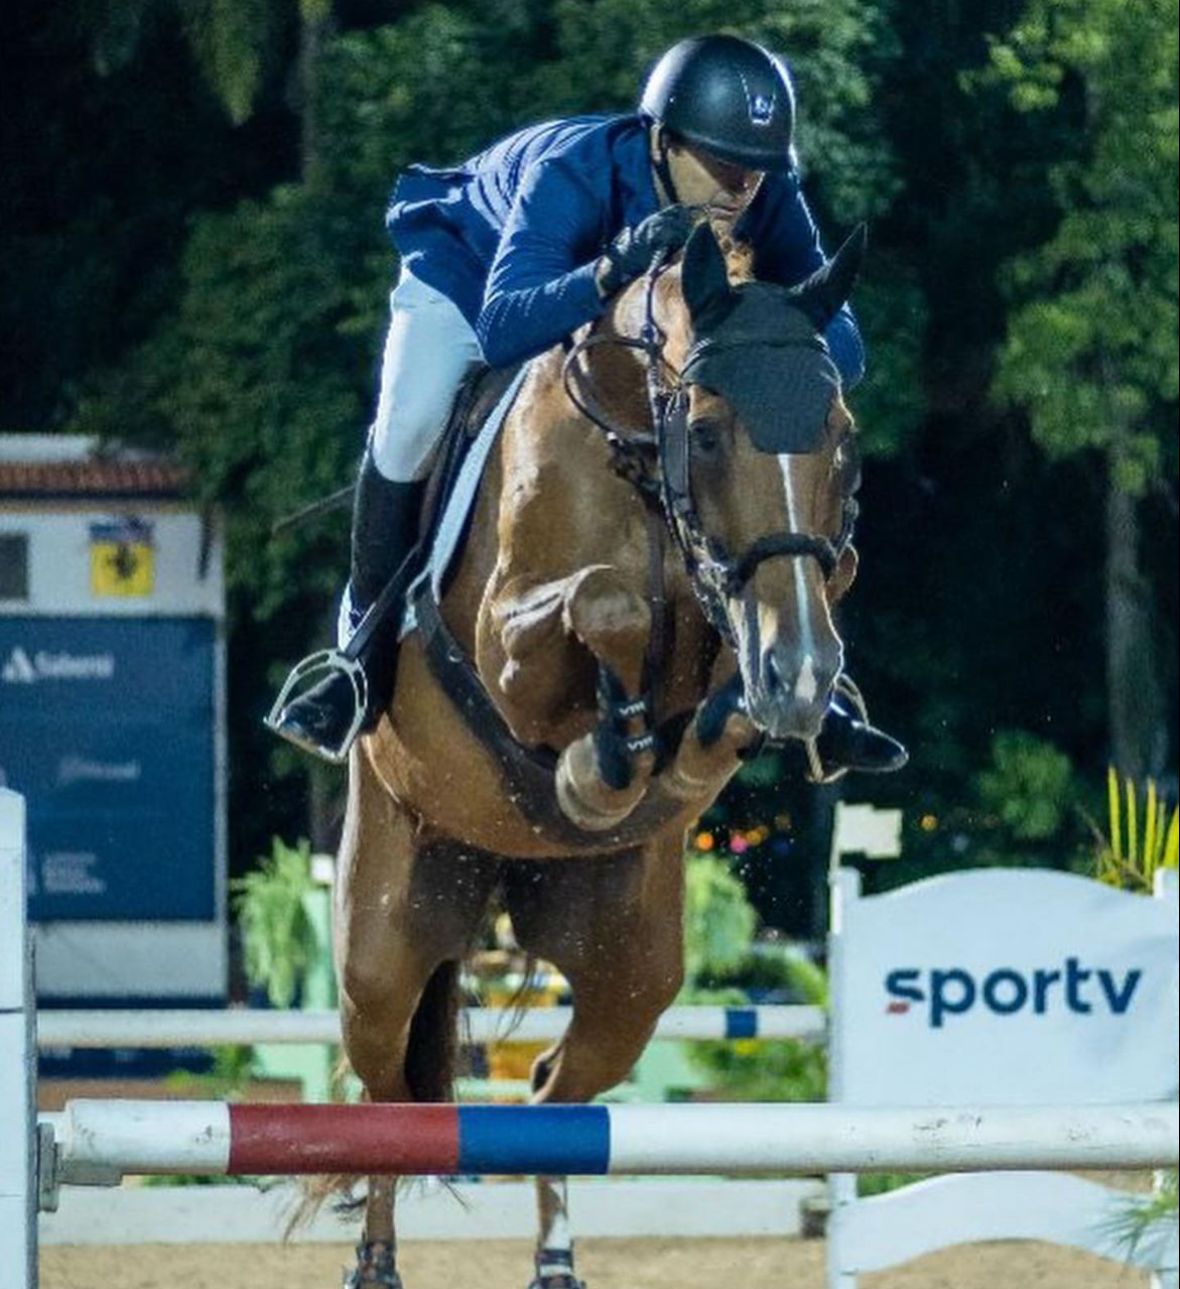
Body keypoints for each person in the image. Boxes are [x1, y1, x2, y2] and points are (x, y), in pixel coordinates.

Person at [268, 32, 907, 778]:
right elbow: (505, 327)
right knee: (408, 427)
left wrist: (768, 339)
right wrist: (613, 268)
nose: (744, 191)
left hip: (606, 322)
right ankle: (358, 661)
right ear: (664, 144)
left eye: (761, 172)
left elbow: (847, 354)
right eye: (726, 168)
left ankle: (802, 679)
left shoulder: (764, 192)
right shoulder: (571, 175)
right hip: (469, 272)